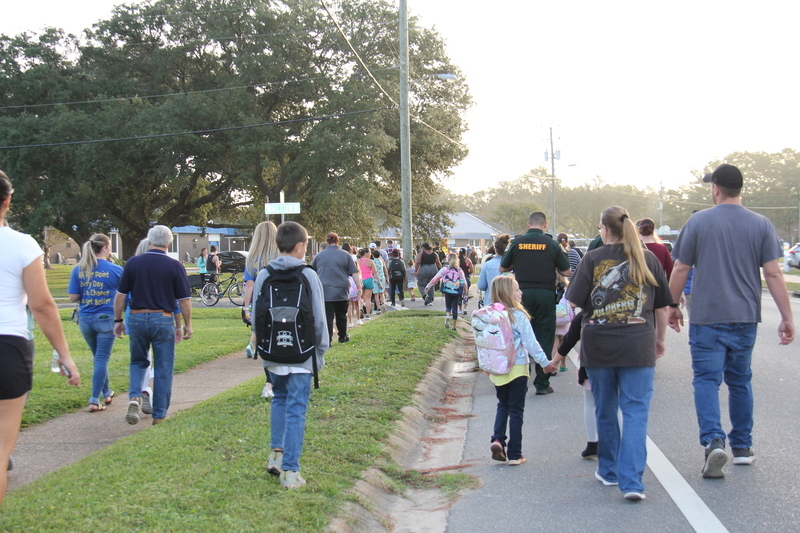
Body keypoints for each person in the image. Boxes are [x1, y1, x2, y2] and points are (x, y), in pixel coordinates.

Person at [668, 164, 795, 478]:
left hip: (707, 317)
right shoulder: (761, 225)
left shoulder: (697, 222)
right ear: (740, 190)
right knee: (740, 381)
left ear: (715, 189)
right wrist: (787, 317)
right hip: (745, 317)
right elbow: (774, 273)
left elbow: (681, 269)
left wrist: (672, 306)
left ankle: (713, 441)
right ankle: (742, 446)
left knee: (706, 382)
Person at [567, 205, 671, 501]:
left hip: (599, 344)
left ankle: (609, 470)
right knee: (636, 412)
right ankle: (633, 481)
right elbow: (662, 306)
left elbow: (573, 302)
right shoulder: (648, 259)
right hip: (638, 344)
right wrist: (659, 338)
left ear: (604, 229)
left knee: (605, 407)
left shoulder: (592, 258)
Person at [0, 171, 80, 505]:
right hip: (8, 347)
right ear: (7, 201)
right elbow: (43, 305)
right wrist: (65, 355)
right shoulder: (20, 244)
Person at [252, 221, 329, 489]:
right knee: (297, 408)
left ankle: (276, 455)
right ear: (300, 246)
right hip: (302, 353)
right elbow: (319, 319)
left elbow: (255, 315)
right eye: (306, 245)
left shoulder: (264, 274)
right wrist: (320, 352)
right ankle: (290, 472)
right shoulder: (308, 275)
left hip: (273, 352)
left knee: (280, 400)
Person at [114, 225, 193, 425]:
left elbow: (120, 296)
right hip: (163, 318)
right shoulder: (175, 266)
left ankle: (135, 396)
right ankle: (159, 415)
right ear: (170, 243)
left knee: (138, 362)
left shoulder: (133, 263)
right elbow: (183, 300)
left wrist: (118, 320)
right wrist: (186, 325)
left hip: (138, 317)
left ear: (149, 241)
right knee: (163, 367)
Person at [488, 275, 558, 466]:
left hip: (498, 369)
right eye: (517, 290)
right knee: (516, 410)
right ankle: (515, 453)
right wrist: (545, 363)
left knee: (502, 404)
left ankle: (497, 439)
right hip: (518, 367)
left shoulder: (489, 316)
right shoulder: (518, 316)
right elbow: (531, 343)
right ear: (508, 294)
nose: (521, 292)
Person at [499, 212, 570, 395]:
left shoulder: (516, 243)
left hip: (521, 294)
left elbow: (503, 267)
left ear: (528, 224)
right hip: (546, 294)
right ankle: (542, 383)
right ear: (545, 225)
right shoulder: (553, 244)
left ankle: (522, 378)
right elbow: (567, 271)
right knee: (545, 336)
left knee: (520, 335)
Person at [68, 234, 123, 412]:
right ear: (105, 248)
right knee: (101, 359)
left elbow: (73, 297)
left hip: (85, 319)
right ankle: (94, 399)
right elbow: (125, 297)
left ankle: (106, 392)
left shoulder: (79, 269)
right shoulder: (116, 270)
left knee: (98, 358)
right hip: (106, 319)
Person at [242, 221, 281, 397]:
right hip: (280, 302)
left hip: (260, 305)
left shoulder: (251, 259)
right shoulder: (280, 256)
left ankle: (269, 382)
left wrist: (246, 307)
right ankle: (275, 380)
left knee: (265, 342)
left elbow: (249, 285)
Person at [311, 232, 361, 344]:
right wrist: (358, 287)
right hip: (341, 290)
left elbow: (312, 271)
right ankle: (342, 336)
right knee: (341, 315)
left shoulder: (319, 255)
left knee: (328, 317)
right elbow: (354, 273)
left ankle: (328, 340)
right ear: (338, 241)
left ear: (327, 241)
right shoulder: (345, 255)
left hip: (325, 290)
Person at [425, 253, 466, 330]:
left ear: (448, 260)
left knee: (448, 305)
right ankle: (454, 326)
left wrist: (428, 286)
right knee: (455, 307)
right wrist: (465, 291)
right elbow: (464, 282)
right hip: (456, 291)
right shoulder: (459, 271)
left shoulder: (445, 269)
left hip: (447, 290)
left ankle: (447, 316)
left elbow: (436, 278)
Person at [478, 234, 511, 305]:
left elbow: (481, 285)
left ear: (495, 249)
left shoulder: (487, 265)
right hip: (508, 303)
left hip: (491, 303)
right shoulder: (512, 265)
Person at [358, 248, 377, 318]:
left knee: (360, 297)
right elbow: (375, 272)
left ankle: (360, 309)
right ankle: (368, 314)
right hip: (369, 279)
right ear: (366, 253)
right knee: (368, 298)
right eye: (369, 252)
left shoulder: (357, 261)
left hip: (360, 280)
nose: (370, 254)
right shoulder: (371, 261)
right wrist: (379, 281)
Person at [371, 249, 389, 314]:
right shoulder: (381, 260)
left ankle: (378, 308)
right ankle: (383, 304)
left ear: (373, 255)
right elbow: (385, 268)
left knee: (376, 294)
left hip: (376, 277)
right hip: (382, 276)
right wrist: (387, 277)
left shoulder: (373, 261)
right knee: (381, 293)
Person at [458, 248, 474, 313]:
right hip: (466, 278)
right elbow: (472, 270)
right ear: (465, 253)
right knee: (465, 293)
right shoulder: (468, 260)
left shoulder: (457, 261)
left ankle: (460, 309)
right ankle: (465, 308)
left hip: (458, 279)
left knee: (459, 294)